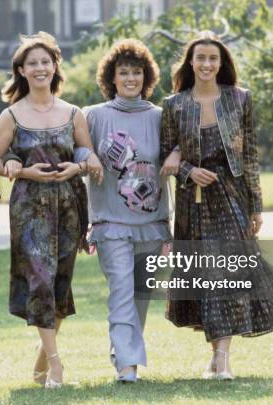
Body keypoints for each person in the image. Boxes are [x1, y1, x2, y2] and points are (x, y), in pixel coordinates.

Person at [160, 31, 273, 380]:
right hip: (193, 204)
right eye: (200, 58)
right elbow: (165, 154)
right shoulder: (174, 104)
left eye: (213, 59)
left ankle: (222, 357)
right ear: (190, 62)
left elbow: (250, 155)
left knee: (230, 275)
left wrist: (256, 206)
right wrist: (190, 171)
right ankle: (217, 355)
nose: (206, 64)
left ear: (221, 64)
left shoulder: (241, 98)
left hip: (232, 197)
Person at [0, 31, 103, 389]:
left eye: (45, 62)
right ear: (21, 70)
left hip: (69, 204)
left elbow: (84, 151)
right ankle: (56, 366)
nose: (40, 68)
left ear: (55, 67)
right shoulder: (11, 115)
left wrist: (81, 166)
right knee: (39, 280)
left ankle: (42, 357)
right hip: (29, 208)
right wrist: (18, 168)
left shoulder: (73, 113)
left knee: (59, 283)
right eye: (32, 63)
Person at [83, 39, 171, 383]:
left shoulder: (161, 117)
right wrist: (84, 157)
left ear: (146, 76)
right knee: (121, 289)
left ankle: (123, 350)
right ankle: (127, 367)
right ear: (112, 77)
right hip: (110, 222)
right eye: (124, 72)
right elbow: (78, 149)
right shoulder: (94, 116)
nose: (130, 78)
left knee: (141, 295)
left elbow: (173, 158)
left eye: (137, 72)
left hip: (152, 224)